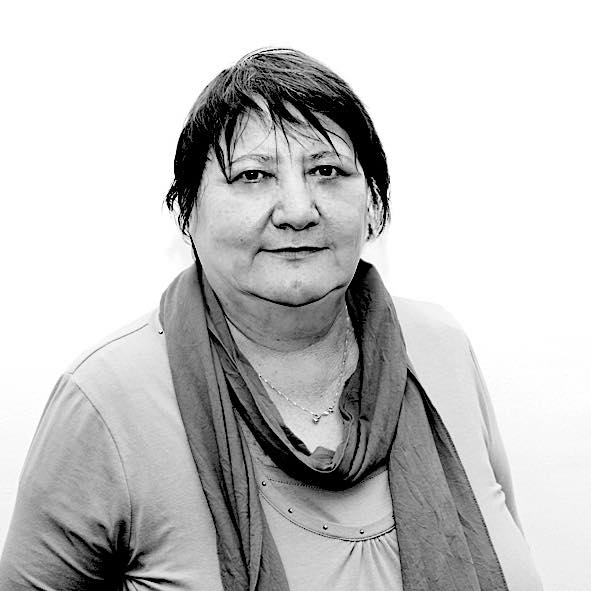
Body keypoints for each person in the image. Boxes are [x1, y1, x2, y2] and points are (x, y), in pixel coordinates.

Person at [0, 48, 543, 591]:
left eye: (327, 171)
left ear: (374, 203)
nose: (298, 210)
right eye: (253, 175)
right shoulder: (106, 398)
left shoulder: (439, 348)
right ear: (187, 210)